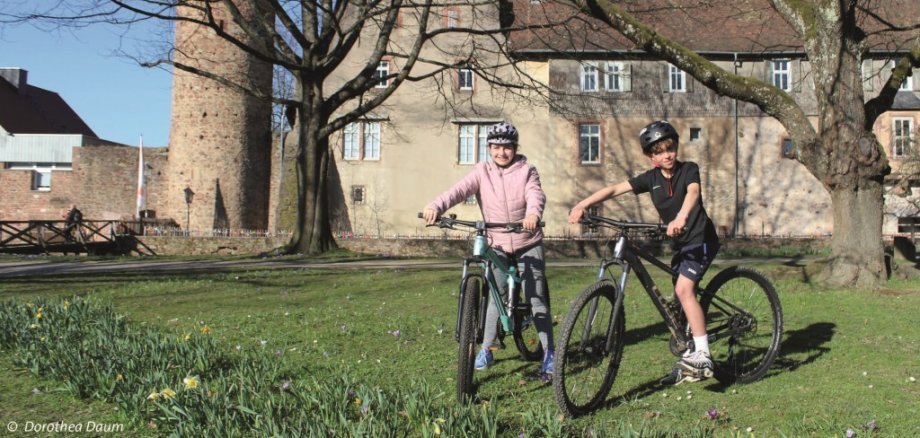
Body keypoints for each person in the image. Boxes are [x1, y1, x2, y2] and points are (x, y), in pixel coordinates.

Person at [568, 120, 720, 385]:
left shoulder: (689, 170)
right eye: (659, 151)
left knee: (684, 291)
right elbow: (615, 188)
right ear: (651, 157)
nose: (667, 155)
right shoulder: (651, 179)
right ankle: (689, 356)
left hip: (700, 239)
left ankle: (704, 354)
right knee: (680, 298)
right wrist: (583, 204)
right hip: (680, 244)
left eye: (669, 148)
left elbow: (693, 192)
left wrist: (682, 216)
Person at [422, 121, 555, 377]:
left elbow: (535, 194)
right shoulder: (482, 171)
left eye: (506, 147)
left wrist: (532, 214)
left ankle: (550, 354)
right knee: (495, 295)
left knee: (536, 298)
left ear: (514, 148)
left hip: (527, 240)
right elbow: (459, 190)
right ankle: (487, 349)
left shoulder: (527, 170)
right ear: (489, 148)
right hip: (498, 243)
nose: (501, 153)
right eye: (495, 147)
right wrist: (436, 205)